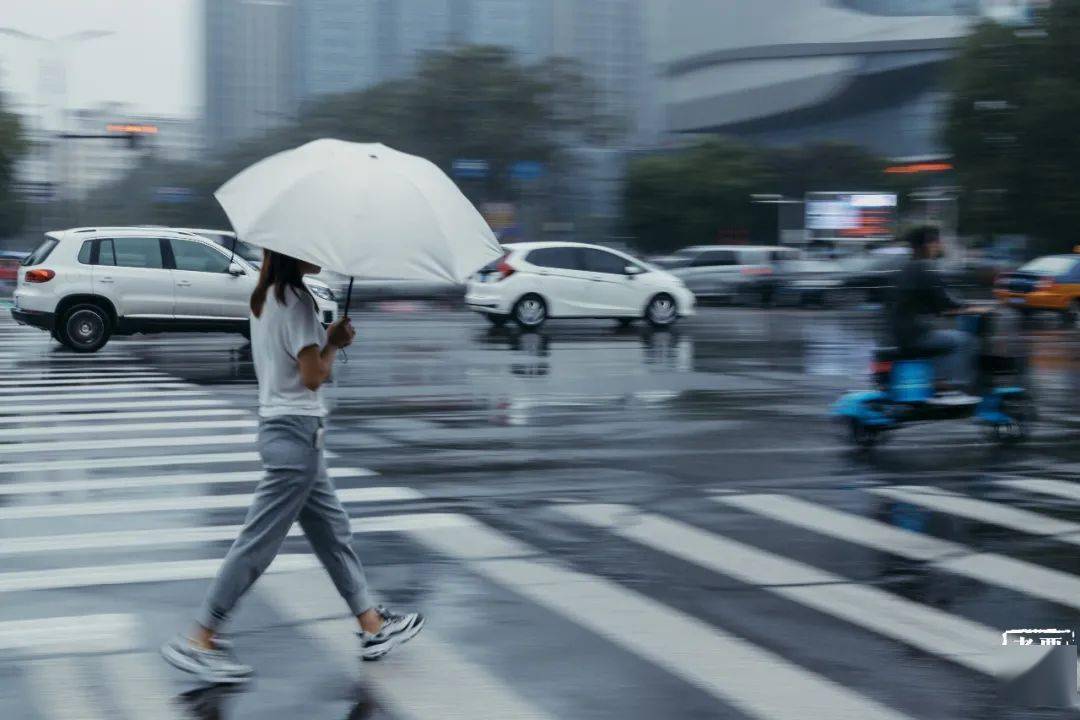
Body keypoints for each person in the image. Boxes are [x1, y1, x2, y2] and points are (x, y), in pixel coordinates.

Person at [162, 250, 424, 683]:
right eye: (312, 247)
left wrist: (325, 338)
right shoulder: (298, 301)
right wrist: (334, 344)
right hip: (296, 438)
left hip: (286, 432)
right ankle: (200, 637)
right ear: (292, 253)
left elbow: (292, 363)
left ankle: (372, 625)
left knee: (332, 531)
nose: (320, 254)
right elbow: (312, 376)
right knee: (257, 544)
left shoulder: (264, 296)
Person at [888, 225, 982, 399]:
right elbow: (944, 301)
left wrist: (948, 308)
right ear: (928, 244)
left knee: (944, 340)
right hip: (915, 334)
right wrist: (968, 308)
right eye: (937, 242)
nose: (939, 245)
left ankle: (937, 380)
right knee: (966, 340)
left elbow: (926, 301)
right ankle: (955, 386)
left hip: (897, 332)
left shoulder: (905, 268)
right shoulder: (926, 267)